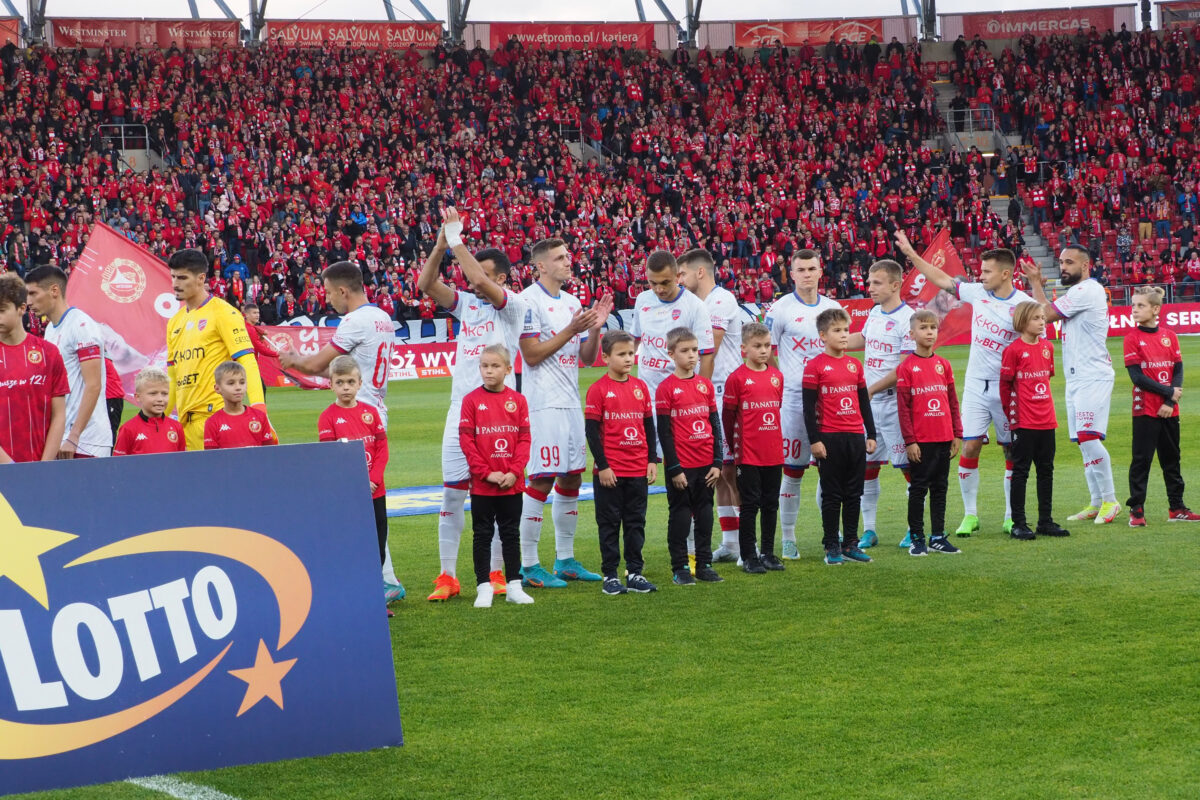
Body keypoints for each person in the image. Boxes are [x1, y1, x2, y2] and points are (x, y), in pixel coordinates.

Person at [418, 208, 525, 602]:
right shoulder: (468, 305)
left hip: (501, 414)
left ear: (501, 278)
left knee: (498, 494)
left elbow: (476, 276)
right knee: (452, 493)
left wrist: (458, 236)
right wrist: (441, 243)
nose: (471, 279)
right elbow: (426, 283)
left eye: (482, 274)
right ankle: (448, 576)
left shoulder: (512, 306)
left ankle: (497, 572)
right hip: (460, 410)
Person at [280, 260, 403, 601]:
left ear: (343, 290)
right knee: (366, 504)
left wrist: (292, 360)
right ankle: (386, 578)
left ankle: (378, 580)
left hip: (354, 416)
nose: (329, 299)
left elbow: (321, 366)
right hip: (374, 407)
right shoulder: (381, 317)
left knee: (355, 505)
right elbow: (339, 371)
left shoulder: (355, 320)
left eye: (330, 292)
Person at [896, 231, 1029, 536]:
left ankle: (1010, 515)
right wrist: (914, 257)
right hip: (975, 386)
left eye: (986, 271)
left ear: (1005, 274)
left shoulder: (1022, 304)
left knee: (1011, 451)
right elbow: (942, 279)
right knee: (969, 445)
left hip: (1008, 389)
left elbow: (1032, 344)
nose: (980, 276)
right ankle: (970, 515)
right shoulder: (977, 293)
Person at [516, 238, 611, 588]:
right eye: (559, 258)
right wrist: (572, 329)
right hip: (543, 403)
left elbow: (586, 359)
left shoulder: (572, 301)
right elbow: (532, 355)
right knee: (541, 478)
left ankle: (565, 559)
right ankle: (528, 565)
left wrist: (596, 327)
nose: (568, 262)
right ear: (540, 266)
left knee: (571, 477)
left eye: (568, 256)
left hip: (571, 401)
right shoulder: (528, 301)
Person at [1022, 245, 1121, 525]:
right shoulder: (1077, 293)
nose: (1063, 267)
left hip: (1092, 376)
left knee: (1089, 437)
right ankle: (1096, 501)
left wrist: (1033, 284)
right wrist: (1037, 287)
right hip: (1077, 377)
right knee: (1083, 442)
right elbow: (1044, 316)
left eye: (1069, 262)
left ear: (1086, 266)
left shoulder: (1086, 290)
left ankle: (1111, 500)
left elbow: (1043, 317)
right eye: (1061, 262)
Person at [764, 250, 843, 559]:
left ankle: (832, 533)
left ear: (820, 271)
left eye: (812, 268)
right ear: (791, 274)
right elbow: (766, 350)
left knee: (830, 472)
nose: (807, 274)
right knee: (793, 471)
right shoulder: (780, 309)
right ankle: (788, 537)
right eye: (801, 269)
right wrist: (784, 378)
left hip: (831, 402)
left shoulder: (833, 308)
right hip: (795, 402)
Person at [165, 248, 269, 451]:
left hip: (217, 419)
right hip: (185, 425)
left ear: (201, 278)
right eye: (173, 277)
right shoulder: (174, 322)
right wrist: (157, 419)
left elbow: (247, 361)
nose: (175, 284)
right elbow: (173, 377)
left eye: (182, 278)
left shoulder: (224, 312)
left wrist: (259, 409)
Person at [678, 248, 744, 563]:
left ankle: (747, 543)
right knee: (715, 472)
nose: (679, 281)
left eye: (683, 274)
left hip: (724, 396)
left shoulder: (720, 300)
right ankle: (730, 543)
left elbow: (709, 349)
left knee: (732, 472)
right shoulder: (695, 303)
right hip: (709, 395)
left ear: (700, 272)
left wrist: (696, 392)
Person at [458, 345, 536, 608]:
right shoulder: (471, 401)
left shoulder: (518, 400)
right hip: (483, 484)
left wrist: (514, 472)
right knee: (481, 534)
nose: (488, 371)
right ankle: (483, 587)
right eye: (484, 366)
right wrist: (486, 473)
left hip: (511, 483)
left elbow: (524, 439)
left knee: (510, 533)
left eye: (494, 366)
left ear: (507, 368)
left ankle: (514, 584)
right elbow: (467, 441)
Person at [584, 330, 659, 596]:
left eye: (631, 353)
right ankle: (610, 575)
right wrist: (602, 466)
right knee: (609, 523)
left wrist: (652, 459)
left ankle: (635, 573)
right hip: (610, 472)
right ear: (605, 357)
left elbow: (648, 426)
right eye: (622, 354)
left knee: (636, 521)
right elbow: (591, 432)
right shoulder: (598, 390)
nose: (629, 359)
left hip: (638, 468)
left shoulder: (640, 387)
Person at [846, 259, 915, 548]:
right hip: (869, 405)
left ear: (896, 285)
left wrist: (870, 389)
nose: (869, 287)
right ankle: (870, 529)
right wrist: (823, 340)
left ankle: (915, 527)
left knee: (908, 468)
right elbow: (861, 339)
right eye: (870, 281)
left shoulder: (909, 318)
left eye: (877, 282)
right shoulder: (874, 313)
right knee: (867, 468)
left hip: (893, 404)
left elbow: (904, 367)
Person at [317, 356, 394, 611]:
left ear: (360, 383)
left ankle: (375, 599)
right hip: (349, 496)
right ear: (331, 385)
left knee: (377, 544)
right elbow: (330, 459)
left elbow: (382, 449)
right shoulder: (327, 418)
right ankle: (353, 599)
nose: (346, 387)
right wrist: (356, 483)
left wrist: (373, 479)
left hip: (375, 492)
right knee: (352, 546)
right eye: (340, 382)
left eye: (351, 381)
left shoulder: (370, 413)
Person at [802, 308, 877, 565]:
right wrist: (815, 440)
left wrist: (871, 433)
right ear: (822, 335)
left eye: (846, 330)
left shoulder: (854, 365)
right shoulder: (815, 367)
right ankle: (831, 545)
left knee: (854, 493)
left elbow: (863, 402)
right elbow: (808, 407)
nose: (844, 335)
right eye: (837, 331)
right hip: (830, 438)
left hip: (855, 436)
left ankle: (851, 544)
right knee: (832, 494)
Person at [1123, 287, 1200, 525]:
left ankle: (1176, 508)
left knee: (1171, 459)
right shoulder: (1132, 338)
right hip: (1145, 408)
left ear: (1156, 309)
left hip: (1169, 409)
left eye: (1141, 305)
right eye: (1134, 305)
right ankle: (1136, 510)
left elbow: (1177, 369)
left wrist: (1169, 401)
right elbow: (1138, 378)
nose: (1135, 309)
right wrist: (1170, 393)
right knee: (1141, 460)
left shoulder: (1169, 335)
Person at [655, 327, 724, 586]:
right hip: (682, 466)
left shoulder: (705, 385)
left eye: (695, 350)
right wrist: (673, 468)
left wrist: (717, 462)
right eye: (685, 351)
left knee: (706, 514)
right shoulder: (666, 388)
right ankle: (681, 567)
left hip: (706, 463)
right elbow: (664, 431)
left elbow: (714, 425)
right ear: (672, 354)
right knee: (681, 515)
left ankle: (704, 564)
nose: (692, 355)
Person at [24, 265, 113, 459]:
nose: (28, 301)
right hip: (62, 438)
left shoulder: (82, 325)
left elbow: (93, 384)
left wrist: (74, 436)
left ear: (54, 290)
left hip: (86, 441)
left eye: (33, 293)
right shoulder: (51, 330)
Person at [999, 302, 1070, 541]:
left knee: (1046, 470)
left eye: (1043, 318)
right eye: (1037, 318)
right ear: (1022, 322)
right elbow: (1005, 385)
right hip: (1024, 420)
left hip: (1047, 419)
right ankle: (1019, 523)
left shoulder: (1048, 347)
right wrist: (1012, 416)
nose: (1042, 322)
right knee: (1021, 471)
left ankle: (1045, 521)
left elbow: (1046, 378)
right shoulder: (1013, 350)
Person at [896, 310, 963, 556]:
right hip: (921, 441)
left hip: (944, 437)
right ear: (912, 334)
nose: (929, 332)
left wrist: (957, 433)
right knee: (918, 489)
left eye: (933, 327)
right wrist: (910, 441)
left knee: (940, 488)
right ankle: (916, 538)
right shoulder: (906, 367)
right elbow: (903, 408)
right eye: (924, 328)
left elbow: (952, 402)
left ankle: (937, 537)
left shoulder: (943, 364)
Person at [721, 322, 785, 573]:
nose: (763, 351)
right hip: (748, 453)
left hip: (773, 452)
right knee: (750, 504)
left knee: (771, 503)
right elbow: (728, 418)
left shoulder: (776, 376)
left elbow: (775, 409)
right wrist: (736, 449)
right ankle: (749, 555)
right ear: (743, 348)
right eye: (757, 346)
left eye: (767, 346)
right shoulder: (736, 379)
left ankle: (768, 552)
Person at [0, 273, 67, 463]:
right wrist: (9, 465)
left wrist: (44, 465)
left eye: (2, 310)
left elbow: (59, 414)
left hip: (40, 468)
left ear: (22, 308)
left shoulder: (49, 353)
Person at [202, 361, 277, 449]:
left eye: (242, 382)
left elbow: (269, 453)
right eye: (231, 383)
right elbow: (211, 459)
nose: (238, 387)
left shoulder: (260, 417)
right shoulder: (212, 423)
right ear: (217, 388)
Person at [113, 367, 186, 456]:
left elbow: (181, 463)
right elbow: (119, 465)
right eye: (153, 393)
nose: (160, 399)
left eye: (164, 394)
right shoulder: (128, 429)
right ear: (138, 397)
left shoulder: (177, 427)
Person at [103, 357, 124, 443]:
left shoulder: (101, 360)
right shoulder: (102, 359)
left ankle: (108, 456)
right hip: (110, 397)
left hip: (111, 397)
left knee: (109, 431)